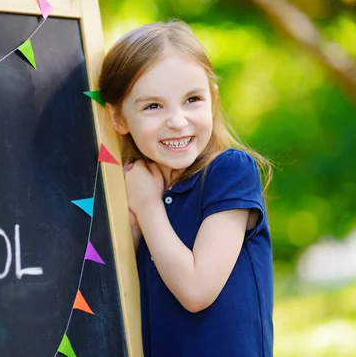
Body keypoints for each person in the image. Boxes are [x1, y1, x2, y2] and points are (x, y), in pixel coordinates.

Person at [99, 20, 274, 356]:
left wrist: (148, 207)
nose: (177, 120)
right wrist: (134, 218)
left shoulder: (229, 172)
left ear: (212, 99)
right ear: (119, 119)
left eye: (192, 99)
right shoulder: (135, 186)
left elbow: (196, 290)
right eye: (153, 106)